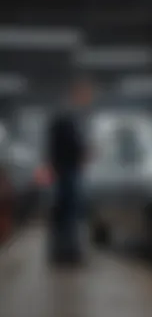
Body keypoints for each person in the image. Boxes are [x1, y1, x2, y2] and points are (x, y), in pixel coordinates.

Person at [45, 77, 94, 265]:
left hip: (67, 171)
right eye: (86, 94)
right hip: (66, 171)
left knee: (67, 213)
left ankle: (65, 253)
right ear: (77, 94)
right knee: (68, 214)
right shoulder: (66, 117)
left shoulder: (71, 116)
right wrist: (82, 152)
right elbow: (64, 145)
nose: (88, 98)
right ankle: (66, 254)